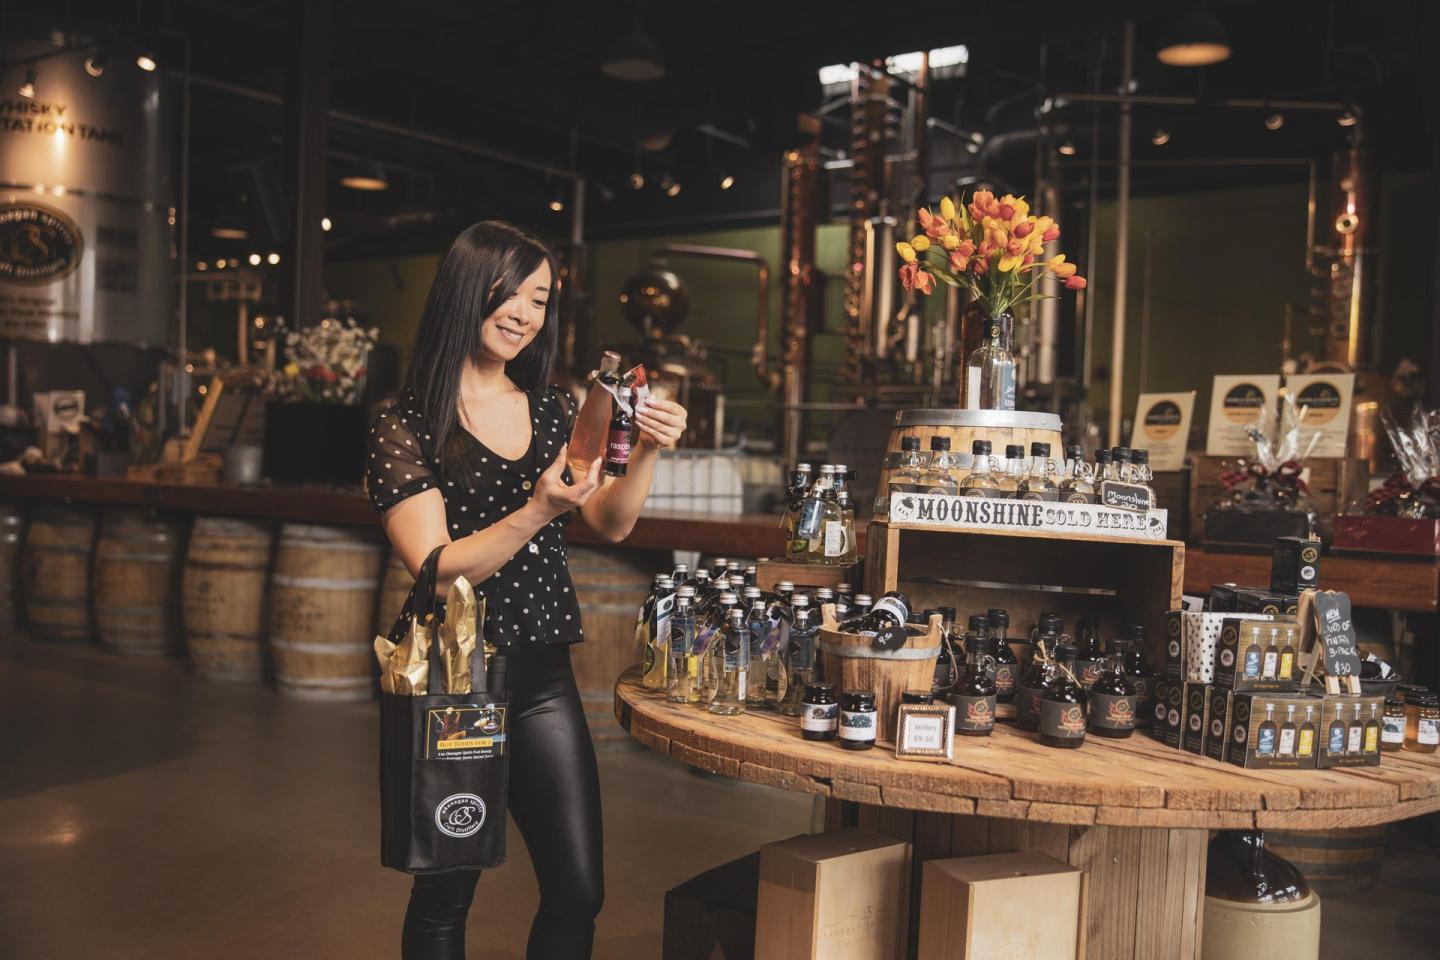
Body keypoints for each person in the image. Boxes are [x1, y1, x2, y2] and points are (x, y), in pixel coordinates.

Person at [365, 221, 687, 959]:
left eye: (539, 300)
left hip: (542, 673)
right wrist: (539, 508)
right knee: (447, 891)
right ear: (465, 291)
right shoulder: (406, 422)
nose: (523, 312)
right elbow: (437, 568)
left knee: (578, 889)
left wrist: (643, 453)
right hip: (454, 680)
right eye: (509, 292)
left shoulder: (554, 410)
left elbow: (606, 522)